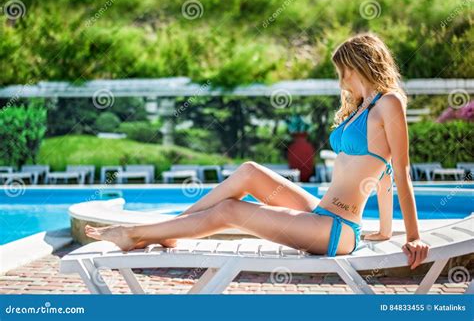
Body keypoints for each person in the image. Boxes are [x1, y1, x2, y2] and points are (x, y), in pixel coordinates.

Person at [86, 33, 429, 269]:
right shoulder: (362, 108)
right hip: (322, 213)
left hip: (336, 229)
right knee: (249, 171)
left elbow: (398, 172)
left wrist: (411, 237)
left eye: (345, 72)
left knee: (232, 211)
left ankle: (135, 236)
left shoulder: (389, 103)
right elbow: (380, 175)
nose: (341, 81)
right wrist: (384, 230)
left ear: (362, 65)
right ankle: (173, 227)